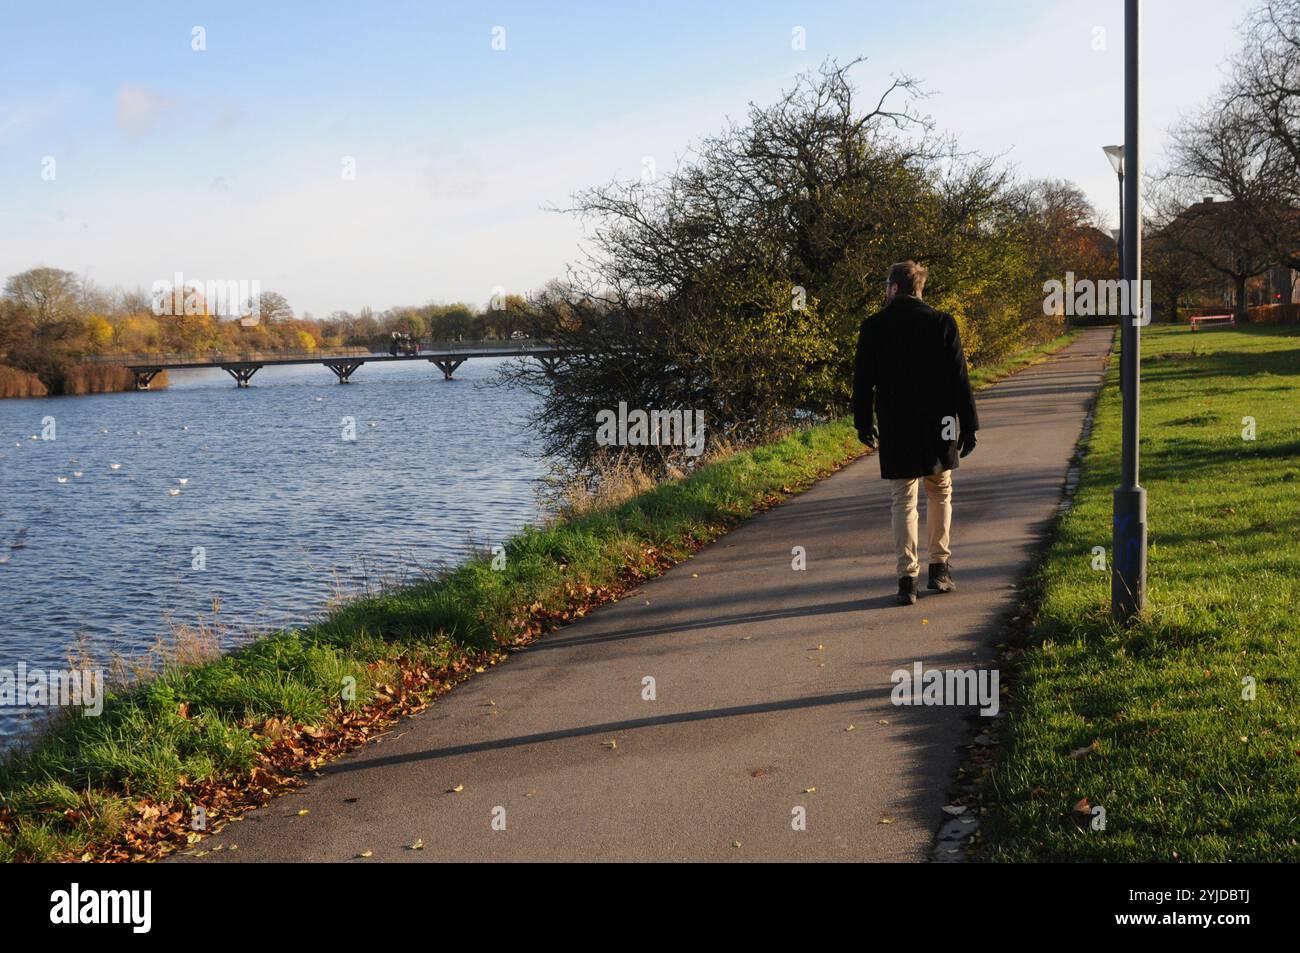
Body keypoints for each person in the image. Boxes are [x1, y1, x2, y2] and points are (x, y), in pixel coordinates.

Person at [852, 261, 979, 606]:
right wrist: (969, 424)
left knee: (903, 500)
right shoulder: (942, 323)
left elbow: (863, 382)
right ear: (919, 288)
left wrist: (862, 422)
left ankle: (907, 578)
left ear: (893, 288)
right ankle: (940, 568)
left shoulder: (874, 326)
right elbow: (959, 379)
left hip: (897, 424)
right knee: (941, 489)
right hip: (939, 423)